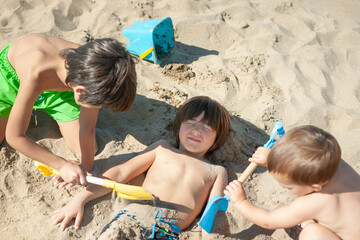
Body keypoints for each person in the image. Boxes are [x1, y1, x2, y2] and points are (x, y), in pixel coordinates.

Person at [52, 96, 231, 238]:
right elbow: (121, 173)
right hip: (134, 218)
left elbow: (213, 215)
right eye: (191, 123)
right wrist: (80, 199)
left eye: (207, 127)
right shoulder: (163, 149)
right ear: (178, 128)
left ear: (217, 138)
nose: (196, 130)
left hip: (170, 232)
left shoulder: (216, 172)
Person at [0, 33, 137, 187]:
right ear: (79, 91)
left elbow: (87, 128)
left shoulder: (90, 70)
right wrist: (61, 165)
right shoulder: (36, 74)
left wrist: (85, 167)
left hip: (61, 91)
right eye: (99, 105)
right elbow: (15, 137)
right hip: (9, 82)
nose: (98, 108)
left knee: (88, 149)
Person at [224, 125, 360, 240]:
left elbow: (268, 220)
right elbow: (301, 155)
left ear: (315, 186)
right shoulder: (335, 164)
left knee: (311, 233)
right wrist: (273, 159)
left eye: (287, 187)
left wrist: (241, 201)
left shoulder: (314, 203)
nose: (284, 188)